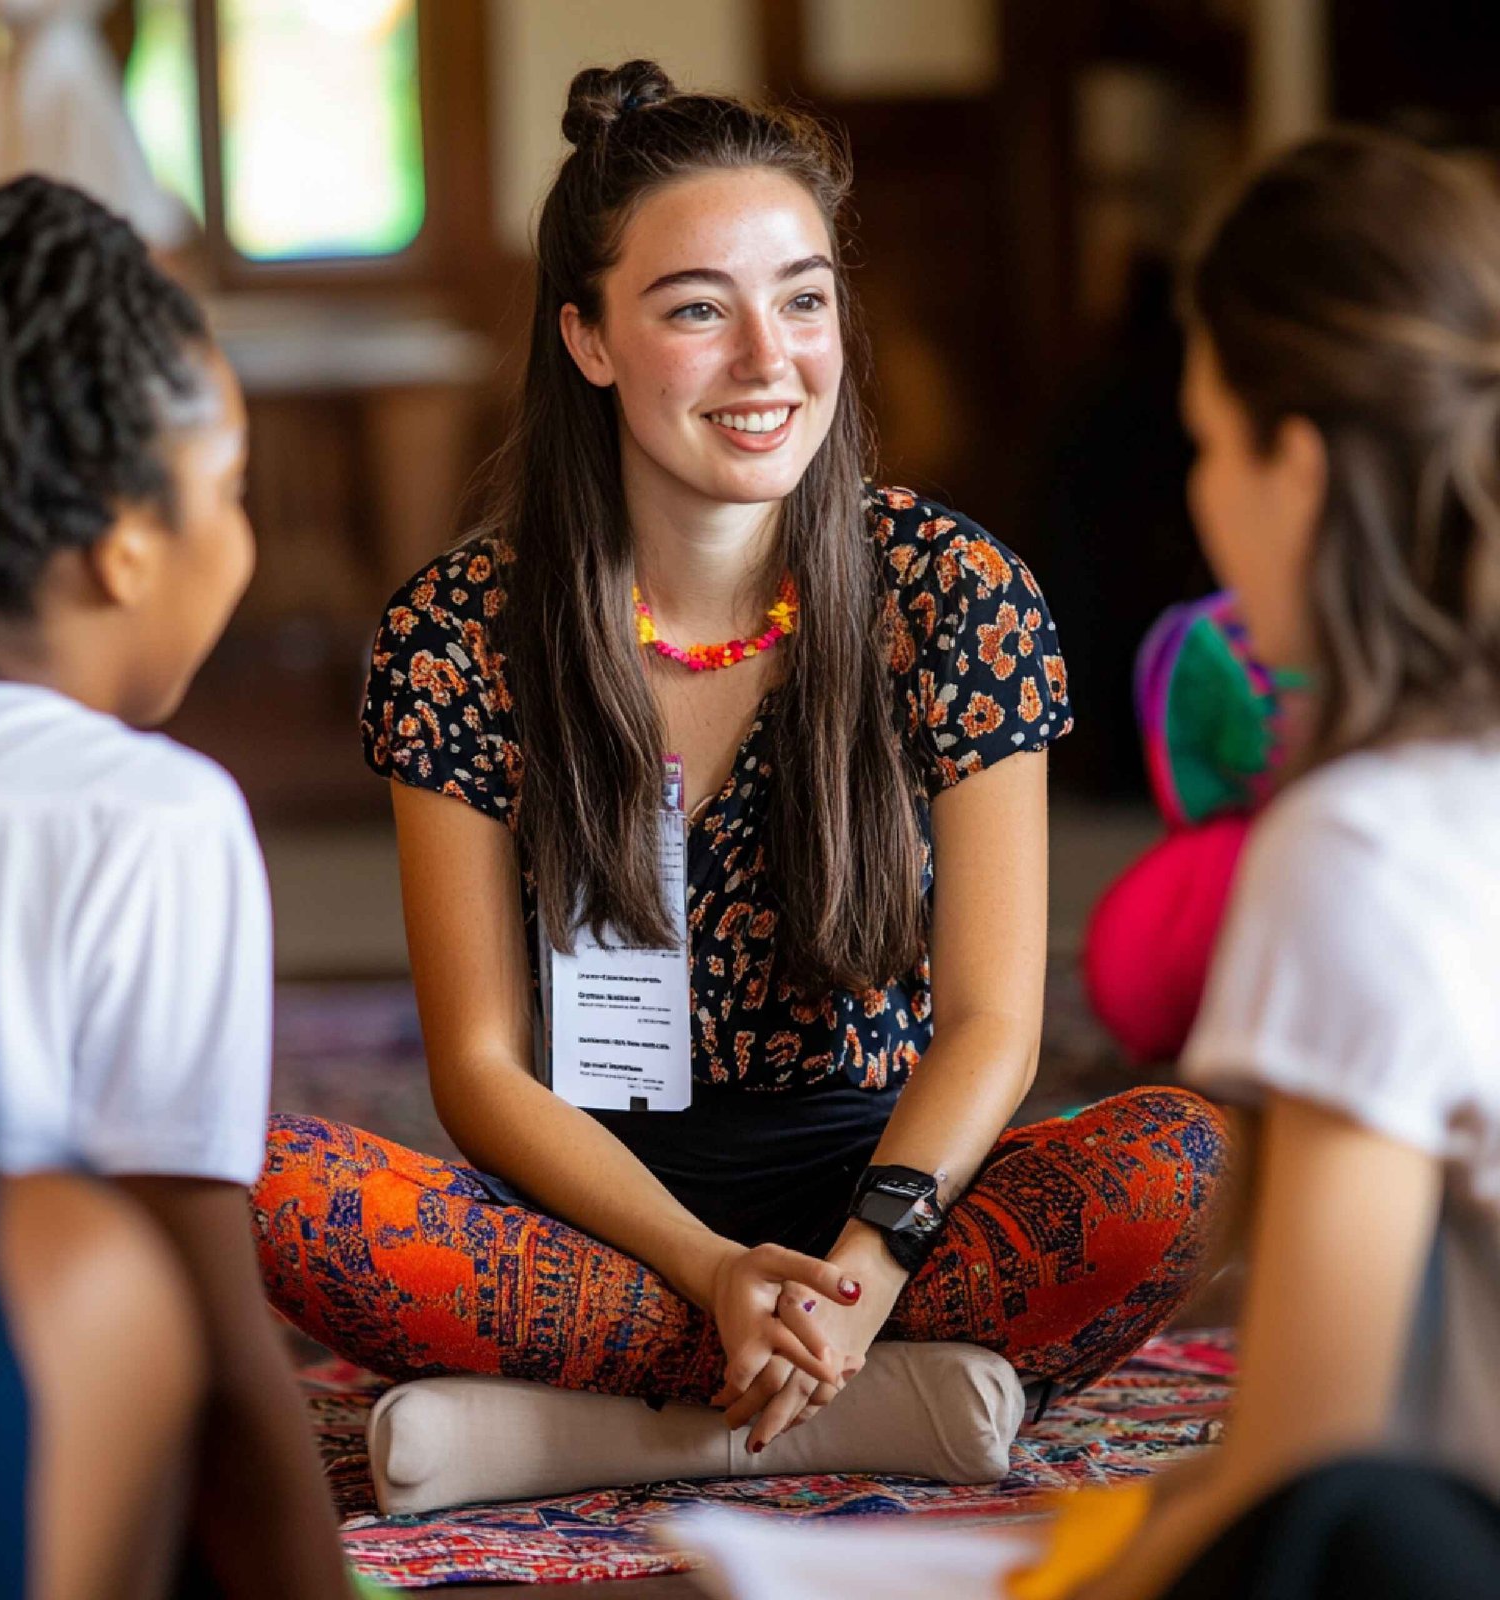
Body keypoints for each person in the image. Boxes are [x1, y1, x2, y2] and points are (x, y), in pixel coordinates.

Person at [255, 61, 1227, 1460]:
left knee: (1171, 1166)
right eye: (699, 309)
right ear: (588, 337)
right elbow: (480, 1070)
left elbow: (994, 1030)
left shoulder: (954, 594)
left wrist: (865, 1268)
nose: (771, 360)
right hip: (603, 1226)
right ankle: (868, 1402)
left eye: (804, 298)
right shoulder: (458, 632)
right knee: (282, 1187)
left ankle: (605, 1423)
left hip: (885, 1210)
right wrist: (710, 1273)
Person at [1039, 129, 1500, 1600]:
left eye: (1205, 442)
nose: (1200, 501)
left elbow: (1314, 1468)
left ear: (1294, 465)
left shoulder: (1362, 848)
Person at [0, 177, 368, 1599]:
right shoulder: (146, 816)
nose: (237, 534)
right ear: (125, 542)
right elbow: (216, 1340)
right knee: (121, 1281)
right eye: (229, 492)